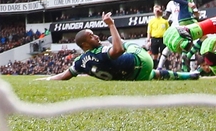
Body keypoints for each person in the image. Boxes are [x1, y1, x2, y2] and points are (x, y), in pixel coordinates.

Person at [40, 12, 198, 81]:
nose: (95, 36)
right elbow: (118, 50)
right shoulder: (100, 51)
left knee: (154, 74)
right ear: (85, 44)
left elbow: (64, 76)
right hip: (140, 60)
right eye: (91, 36)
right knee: (122, 44)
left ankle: (187, 76)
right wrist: (111, 25)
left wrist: (47, 79)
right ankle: (188, 76)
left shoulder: (80, 62)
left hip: (130, 76)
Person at [173, 0, 201, 72]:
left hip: (188, 16)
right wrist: (188, 4)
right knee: (203, 36)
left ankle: (185, 68)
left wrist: (195, 11)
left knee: (187, 42)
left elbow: (190, 3)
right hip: (186, 18)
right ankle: (188, 56)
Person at [157, 0, 181, 69]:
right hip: (175, 28)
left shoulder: (187, 1)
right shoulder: (171, 3)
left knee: (189, 48)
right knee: (168, 47)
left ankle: (190, 69)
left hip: (185, 27)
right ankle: (159, 67)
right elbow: (166, 16)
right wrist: (161, 14)